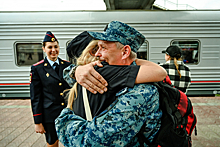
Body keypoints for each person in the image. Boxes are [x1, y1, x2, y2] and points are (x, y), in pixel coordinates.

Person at [55, 21, 167, 146]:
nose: (97, 54)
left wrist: (64, 120)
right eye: (97, 47)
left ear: (125, 52)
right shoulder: (110, 74)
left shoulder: (141, 93)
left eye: (103, 48)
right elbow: (69, 76)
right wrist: (76, 71)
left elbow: (89, 143)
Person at [30, 31, 71, 147]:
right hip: (50, 115)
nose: (53, 50)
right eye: (50, 47)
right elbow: (35, 97)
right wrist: (38, 121)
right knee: (52, 143)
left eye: (56, 46)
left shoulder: (67, 66)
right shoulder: (37, 69)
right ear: (44, 49)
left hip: (68, 112)